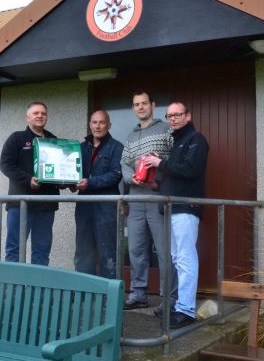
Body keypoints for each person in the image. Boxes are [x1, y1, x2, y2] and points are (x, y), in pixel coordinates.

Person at [144, 101, 209, 329]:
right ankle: (178, 305)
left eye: (177, 115)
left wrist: (160, 162)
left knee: (185, 258)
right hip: (171, 208)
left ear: (188, 116)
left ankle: (186, 310)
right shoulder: (177, 143)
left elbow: (190, 171)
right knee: (175, 258)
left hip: (186, 208)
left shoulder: (196, 140)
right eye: (169, 115)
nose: (173, 119)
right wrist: (156, 179)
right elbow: (174, 174)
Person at [121, 89, 178, 312]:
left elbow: (175, 158)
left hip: (158, 197)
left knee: (164, 251)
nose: (140, 108)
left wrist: (160, 167)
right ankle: (139, 293)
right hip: (136, 198)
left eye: (144, 103)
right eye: (136, 104)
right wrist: (130, 176)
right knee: (135, 249)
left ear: (153, 105)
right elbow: (125, 163)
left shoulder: (166, 130)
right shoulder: (131, 136)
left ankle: (168, 298)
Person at [0, 101, 59, 266]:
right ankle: (12, 290)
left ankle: (36, 291)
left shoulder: (53, 140)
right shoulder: (17, 138)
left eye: (43, 113)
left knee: (42, 251)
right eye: (36, 113)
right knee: (14, 250)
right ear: (28, 117)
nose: (40, 116)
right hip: (20, 204)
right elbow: (6, 165)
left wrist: (63, 181)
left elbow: (58, 169)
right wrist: (27, 180)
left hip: (46, 205)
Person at [74, 110, 124, 278]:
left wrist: (89, 182)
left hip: (106, 206)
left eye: (102, 122)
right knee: (83, 249)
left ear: (108, 125)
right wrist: (68, 182)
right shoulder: (81, 147)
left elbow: (115, 175)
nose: (98, 126)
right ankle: (84, 291)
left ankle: (108, 294)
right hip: (84, 205)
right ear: (90, 125)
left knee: (107, 250)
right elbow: (73, 173)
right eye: (94, 122)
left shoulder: (116, 147)